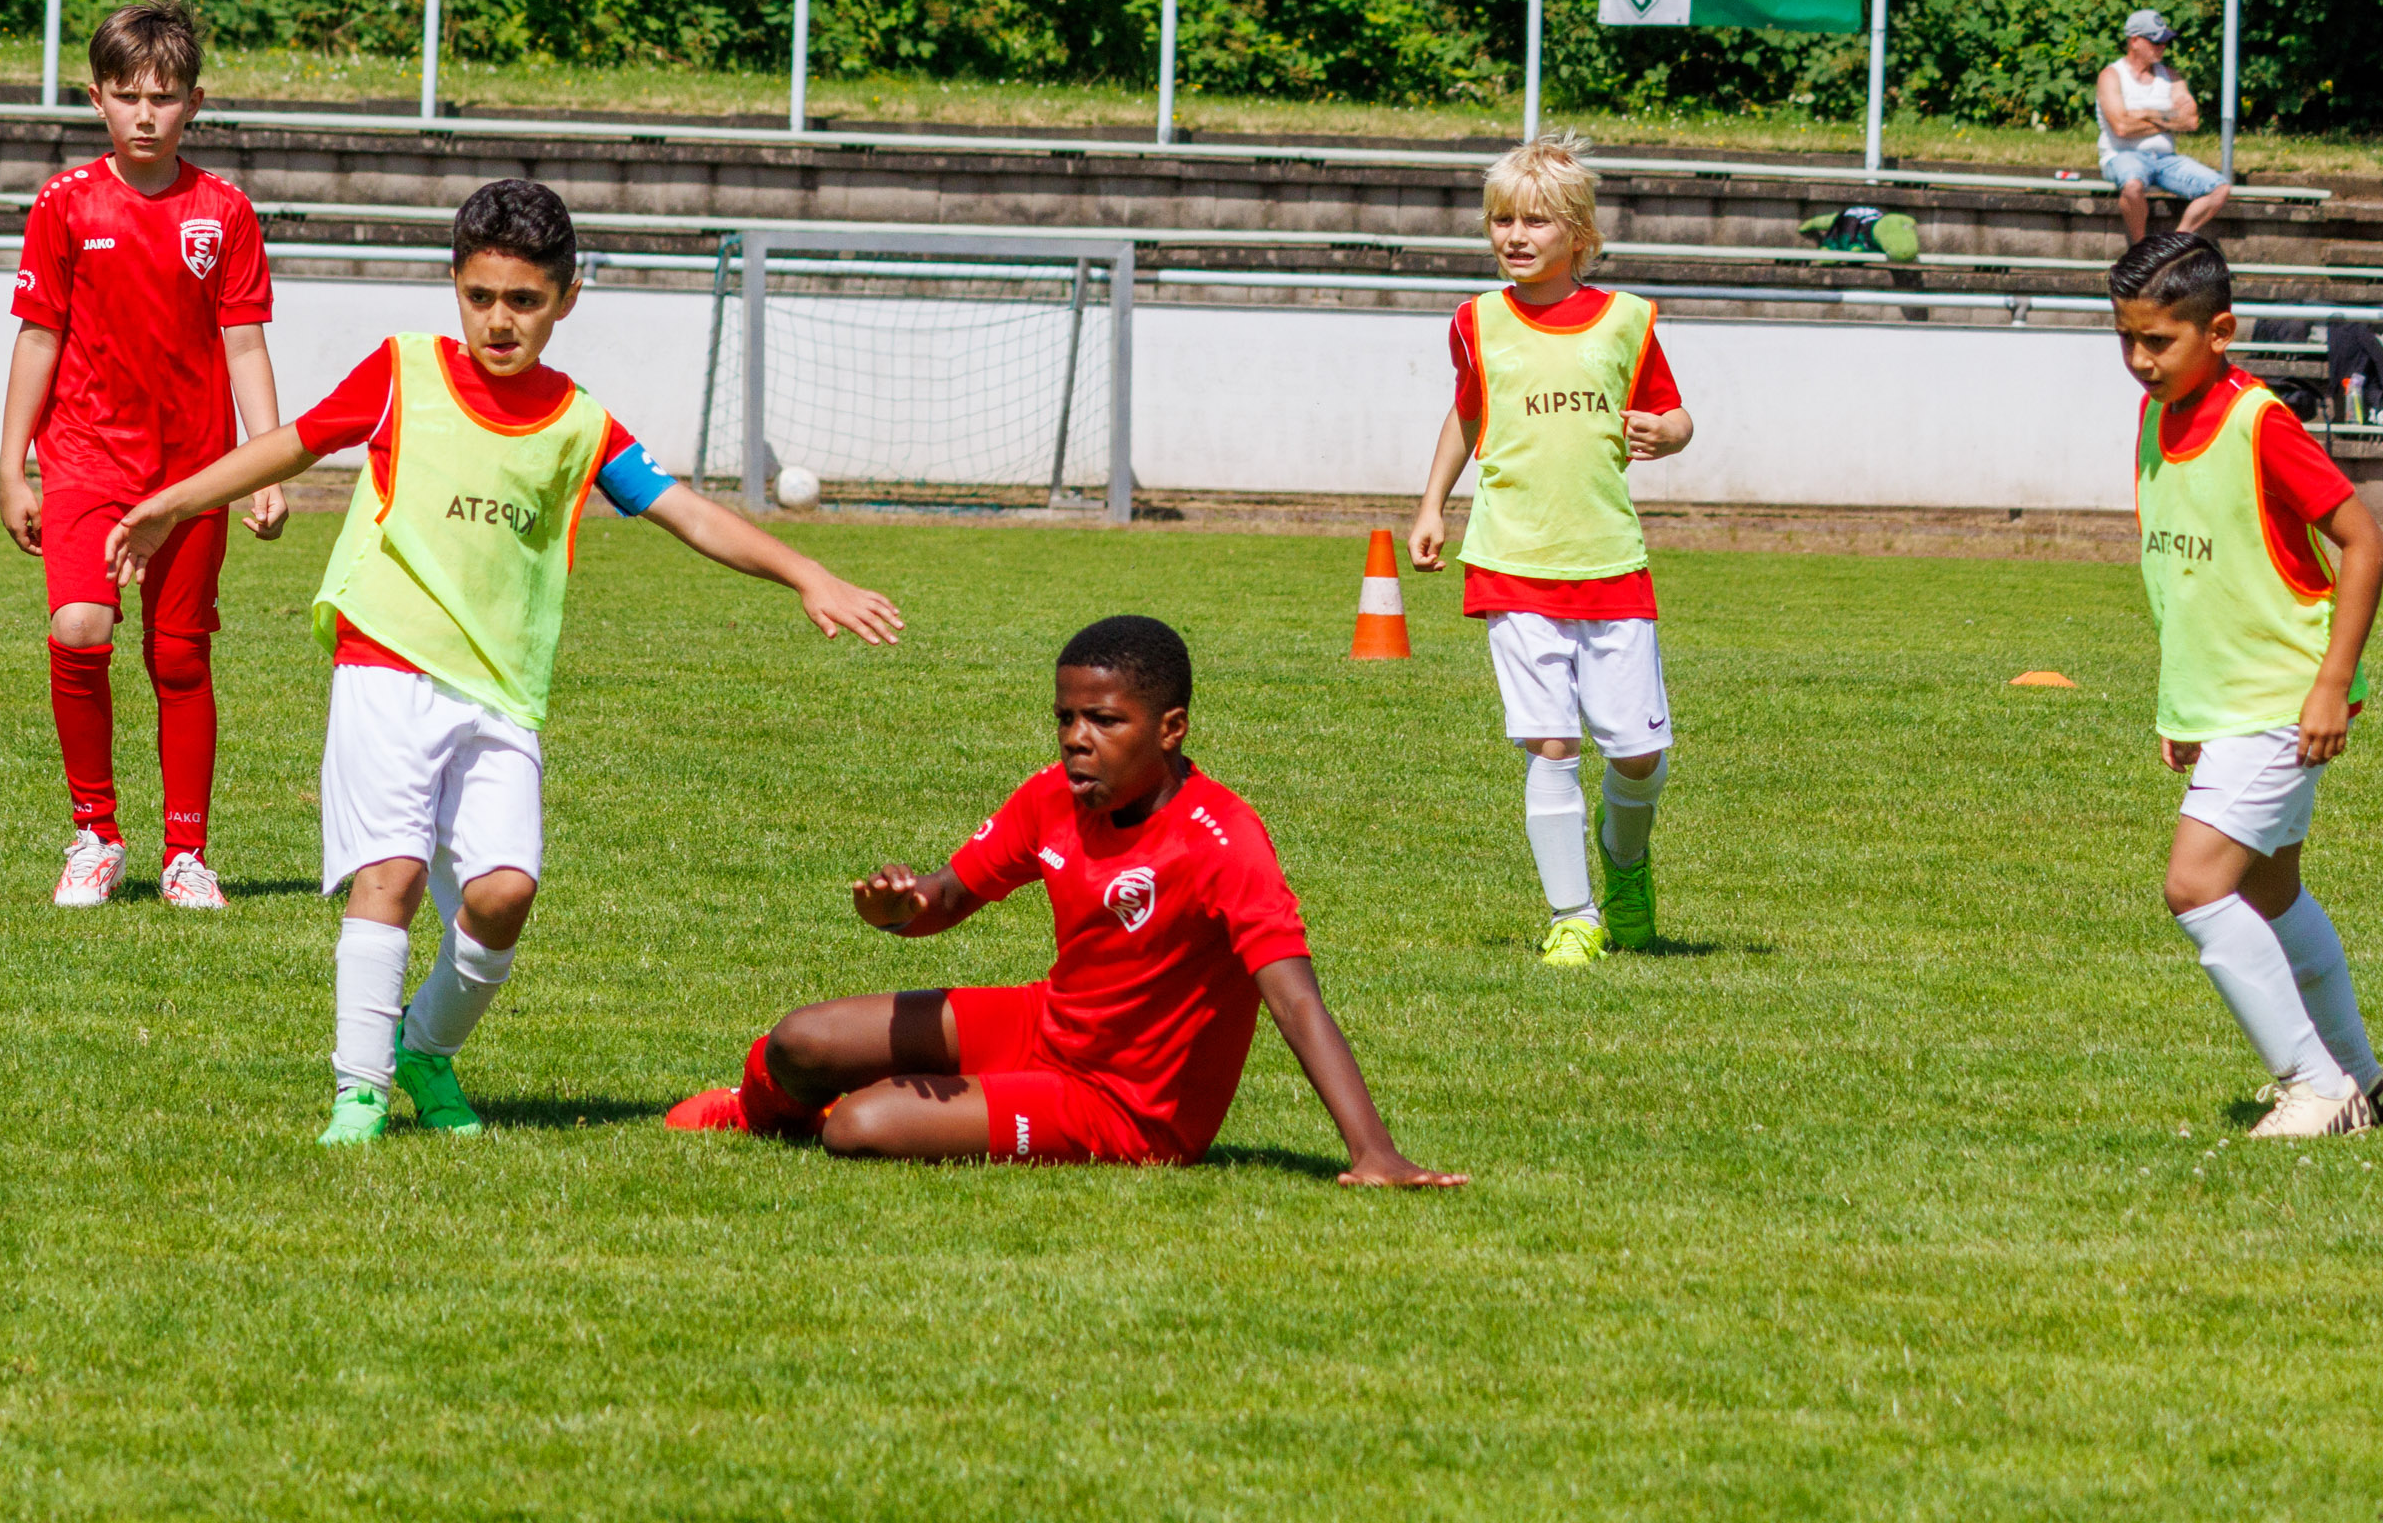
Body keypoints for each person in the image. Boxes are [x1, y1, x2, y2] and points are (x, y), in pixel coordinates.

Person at [106, 178, 904, 1146]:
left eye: (524, 300)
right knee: (392, 876)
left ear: (566, 299)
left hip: (500, 695)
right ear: (455, 283)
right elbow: (292, 443)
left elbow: (686, 511)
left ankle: (423, 1048)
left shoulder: (579, 422)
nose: (498, 320)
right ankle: (359, 1092)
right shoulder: (403, 371)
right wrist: (175, 501)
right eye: (480, 296)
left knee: (504, 894)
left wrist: (806, 573)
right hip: (385, 663)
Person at [665, 616, 1465, 1187]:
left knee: (859, 1126)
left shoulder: (1222, 840)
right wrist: (899, 909)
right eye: (1066, 717)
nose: (1078, 737)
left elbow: (1295, 1001)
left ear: (1171, 728)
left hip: (1126, 1109)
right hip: (1046, 1027)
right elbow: (949, 895)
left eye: (1105, 720)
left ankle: (838, 1113)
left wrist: (1373, 1151)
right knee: (801, 1039)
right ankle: (757, 1113)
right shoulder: (1054, 795)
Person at [2109, 230, 2383, 1139]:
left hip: (2282, 701)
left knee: (2196, 886)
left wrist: (2332, 684)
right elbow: (2187, 580)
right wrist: (2182, 704)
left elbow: (2365, 542)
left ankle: (2315, 1087)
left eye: (2158, 340)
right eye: (2125, 338)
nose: (2140, 359)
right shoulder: (2155, 416)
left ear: (2221, 331)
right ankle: (2367, 1082)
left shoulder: (2260, 423)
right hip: (2227, 706)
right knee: (2271, 893)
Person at [0, 0, 284, 913]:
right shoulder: (65, 203)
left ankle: (186, 856)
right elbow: (38, 336)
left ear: (194, 103)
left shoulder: (224, 211)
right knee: (80, 625)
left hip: (195, 470)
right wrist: (11, 466)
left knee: (179, 656)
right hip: (85, 457)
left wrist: (265, 465)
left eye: (163, 97)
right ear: (97, 99)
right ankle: (97, 835)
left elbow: (245, 344)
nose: (145, 114)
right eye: (127, 96)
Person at [1404, 136, 1693, 967]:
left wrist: (1668, 433)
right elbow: (1468, 414)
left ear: (1579, 234)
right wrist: (1432, 506)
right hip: (1511, 560)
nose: (1516, 235)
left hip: (1609, 564)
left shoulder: (1629, 320)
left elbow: (1673, 413)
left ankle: (1625, 862)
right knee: (1551, 743)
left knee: (1638, 755)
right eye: (1502, 220)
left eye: (1535, 220)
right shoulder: (1477, 322)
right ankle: (1574, 915)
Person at [2099, 9, 2231, 243]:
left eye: (2165, 41)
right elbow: (2121, 127)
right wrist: (2169, 120)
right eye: (2156, 41)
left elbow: (2191, 121)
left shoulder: (2171, 76)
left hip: (2166, 159)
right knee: (2132, 185)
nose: (2162, 47)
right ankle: (2141, 249)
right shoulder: (2111, 76)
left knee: (2220, 188)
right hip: (2123, 155)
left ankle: (2172, 245)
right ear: (2134, 41)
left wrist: (2146, 113)